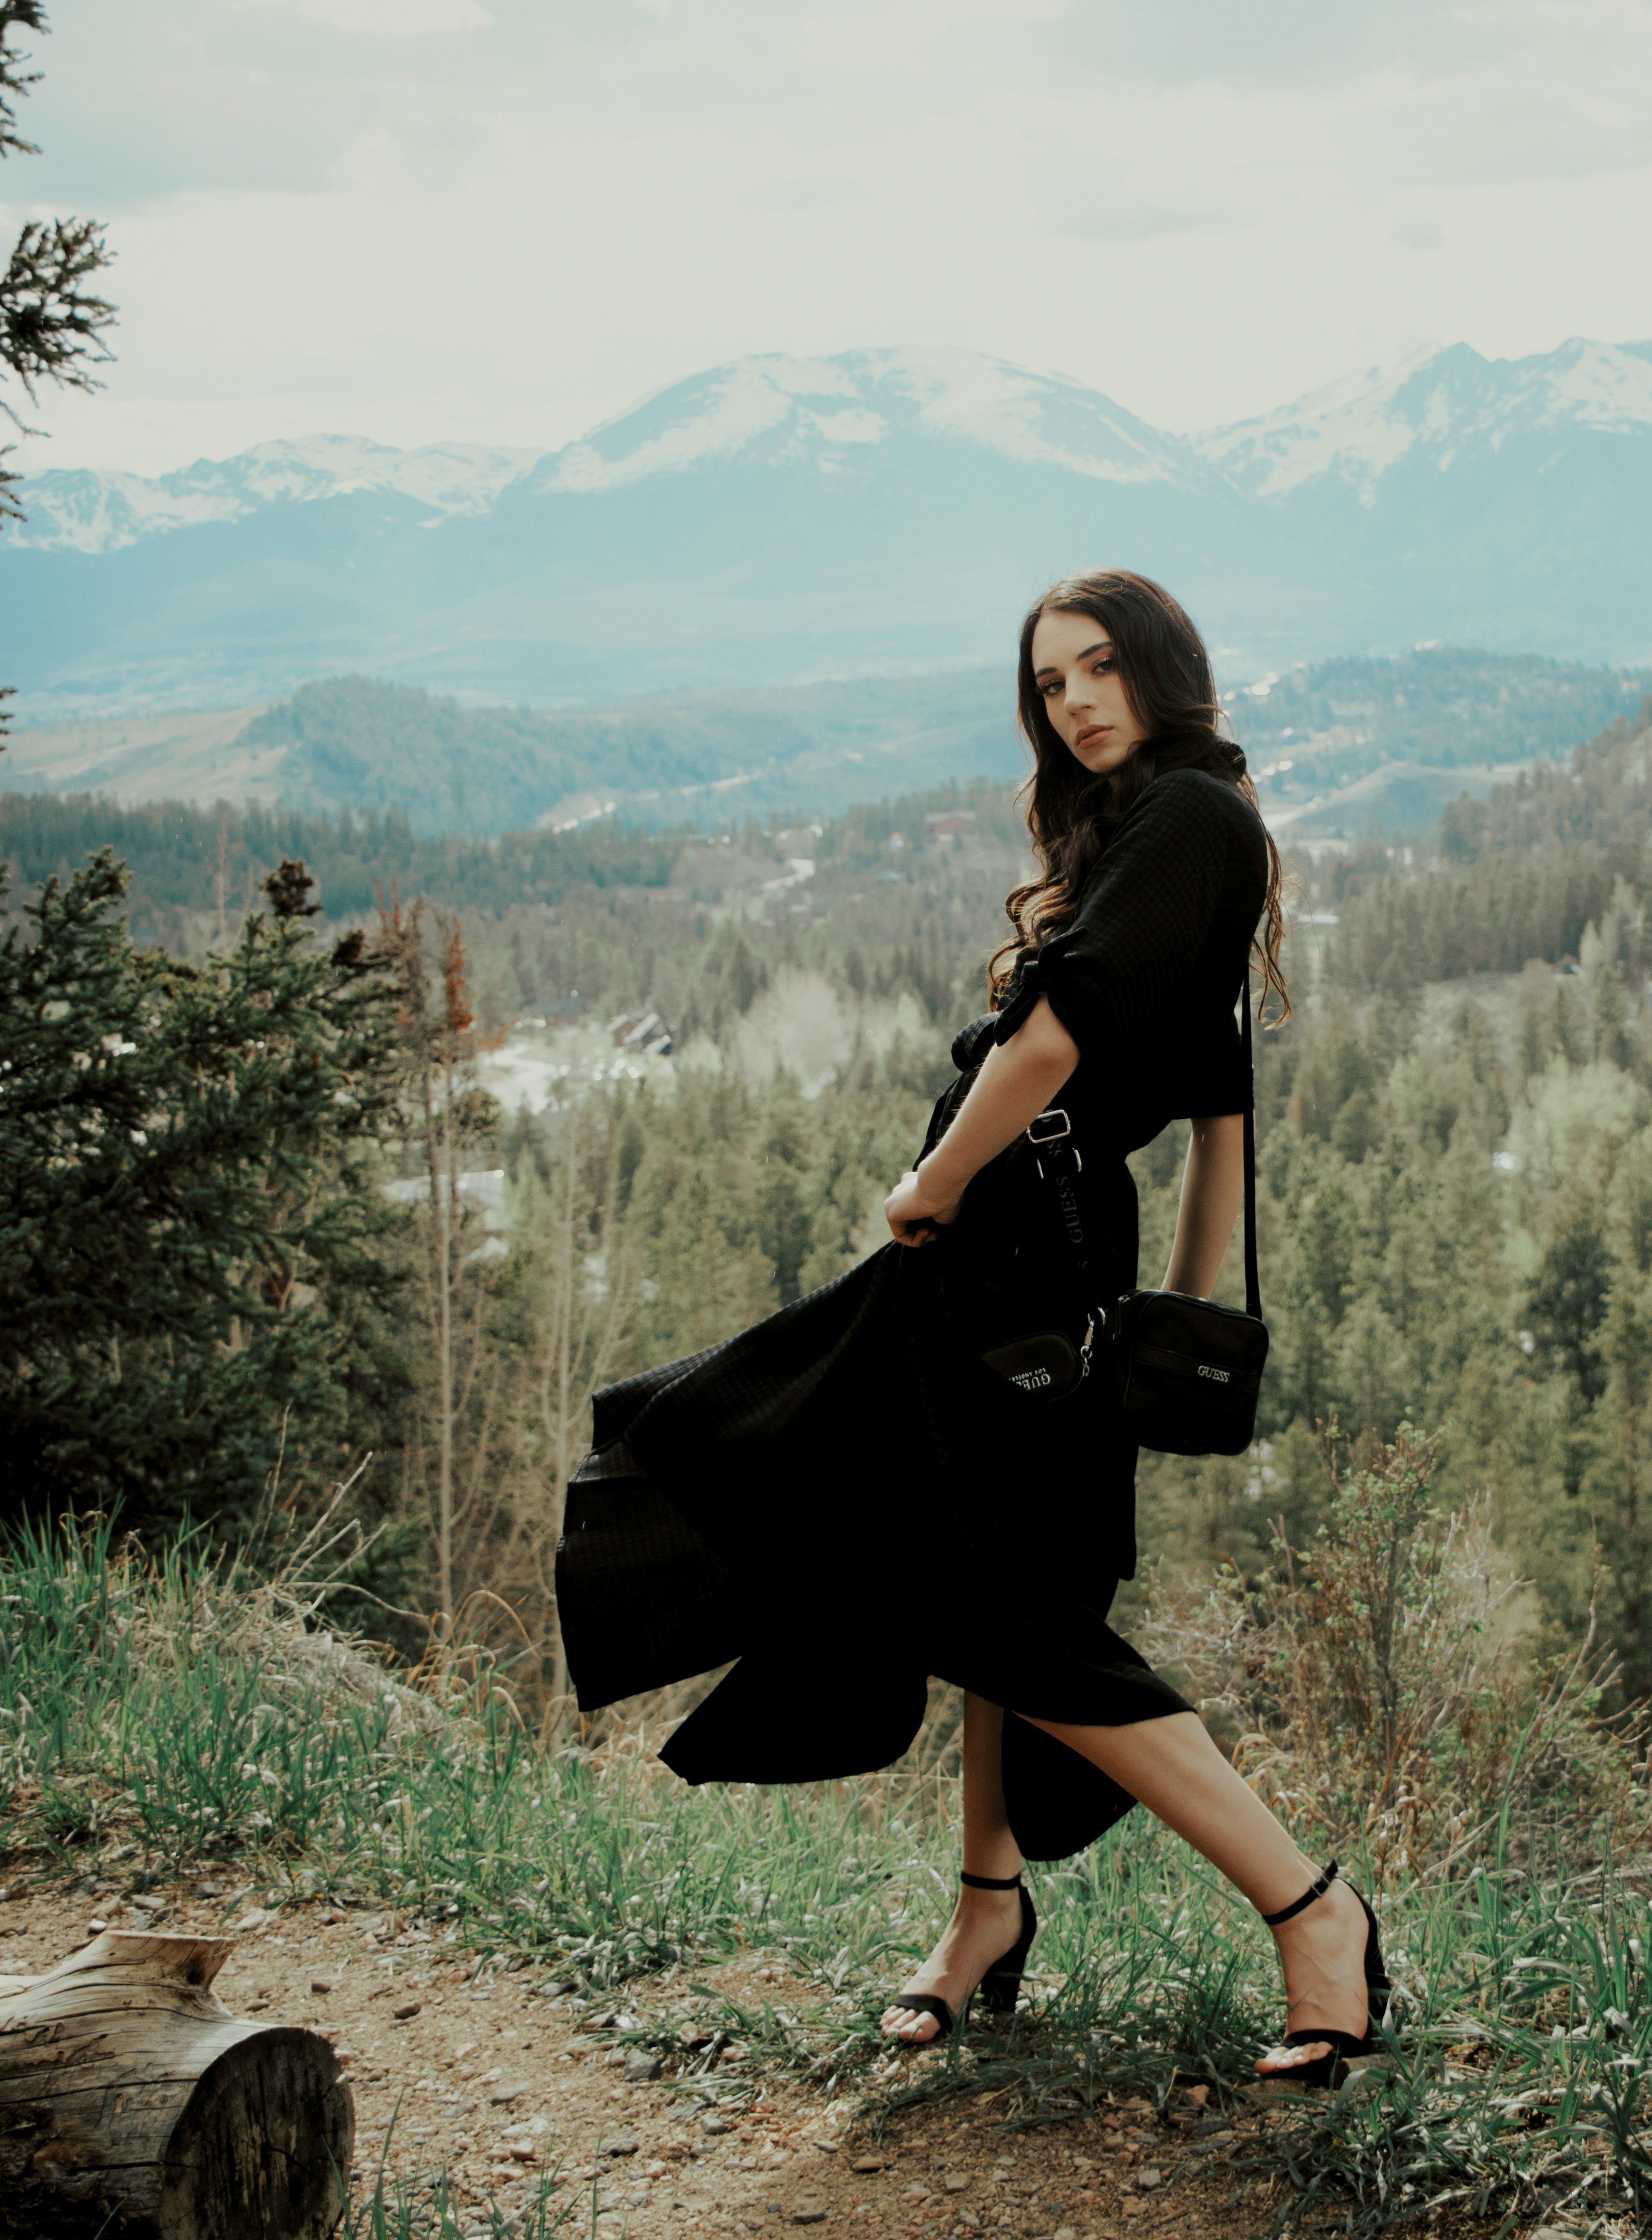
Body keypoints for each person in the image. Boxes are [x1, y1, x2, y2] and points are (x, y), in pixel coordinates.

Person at [555, 568, 1385, 2083]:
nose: (1071, 702)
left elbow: (1060, 1044)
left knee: (961, 1576)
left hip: (1002, 1248)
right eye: (1048, 682)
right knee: (977, 1581)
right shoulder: (1162, 827)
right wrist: (1168, 1315)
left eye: (1096, 671)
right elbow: (1218, 1118)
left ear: (1163, 670)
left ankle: (1313, 1908)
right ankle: (986, 1910)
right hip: (1041, 1258)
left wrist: (928, 1186)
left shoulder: (1192, 821)